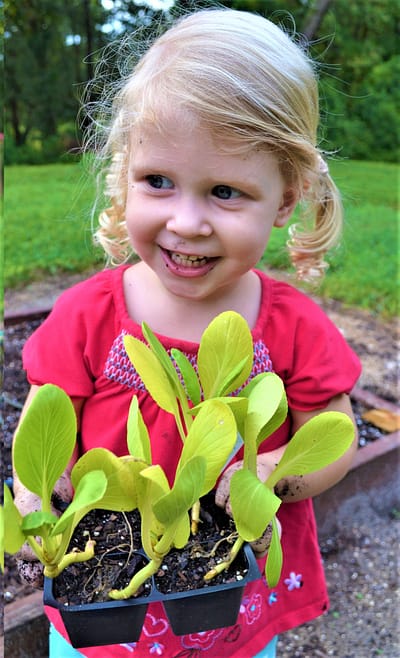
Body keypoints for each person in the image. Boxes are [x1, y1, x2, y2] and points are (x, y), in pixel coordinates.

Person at [13, 7, 361, 658]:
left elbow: (334, 434)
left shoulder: (290, 324)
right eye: (159, 182)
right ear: (125, 177)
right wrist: (38, 487)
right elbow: (45, 419)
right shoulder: (90, 313)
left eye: (225, 191)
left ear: (286, 199)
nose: (187, 221)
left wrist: (270, 474)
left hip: (230, 585)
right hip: (107, 593)